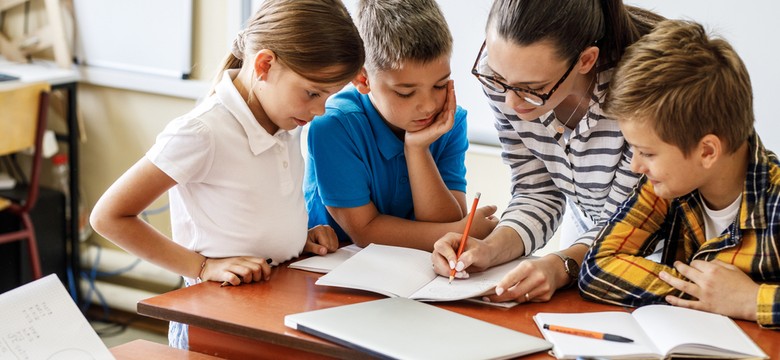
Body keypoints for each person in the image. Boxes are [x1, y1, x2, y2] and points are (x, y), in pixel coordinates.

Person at [89, 0, 364, 348]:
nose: (320, 109)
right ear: (264, 65)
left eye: (328, 96)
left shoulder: (285, 120)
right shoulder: (201, 132)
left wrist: (294, 236)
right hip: (213, 312)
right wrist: (202, 267)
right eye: (312, 93)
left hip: (270, 299)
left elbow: (249, 206)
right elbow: (109, 217)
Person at [431, 0, 664, 302]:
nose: (511, 103)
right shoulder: (509, 73)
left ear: (586, 60)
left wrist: (561, 265)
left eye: (532, 88)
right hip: (589, 234)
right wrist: (490, 248)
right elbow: (536, 190)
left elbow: (629, 224)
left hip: (661, 247)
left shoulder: (640, 93)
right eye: (499, 78)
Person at [579, 19, 780, 328]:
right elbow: (598, 267)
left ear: (707, 152)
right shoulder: (667, 185)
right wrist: (703, 294)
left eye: (647, 153)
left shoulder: (775, 200)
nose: (636, 166)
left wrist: (752, 301)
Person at [303, 0, 498, 251]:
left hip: (410, 268)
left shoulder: (449, 121)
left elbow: (445, 220)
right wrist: (459, 231)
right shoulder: (334, 125)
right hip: (329, 265)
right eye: (406, 93)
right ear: (363, 79)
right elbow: (364, 232)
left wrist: (417, 150)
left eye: (440, 85)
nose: (428, 106)